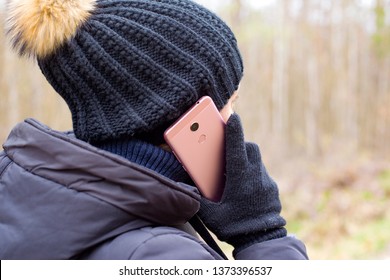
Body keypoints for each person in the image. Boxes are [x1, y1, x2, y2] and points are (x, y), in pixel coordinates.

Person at [0, 0, 308, 260]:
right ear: (186, 116)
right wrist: (263, 235)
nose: (233, 119)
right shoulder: (162, 254)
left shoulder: (19, 181)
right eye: (230, 102)